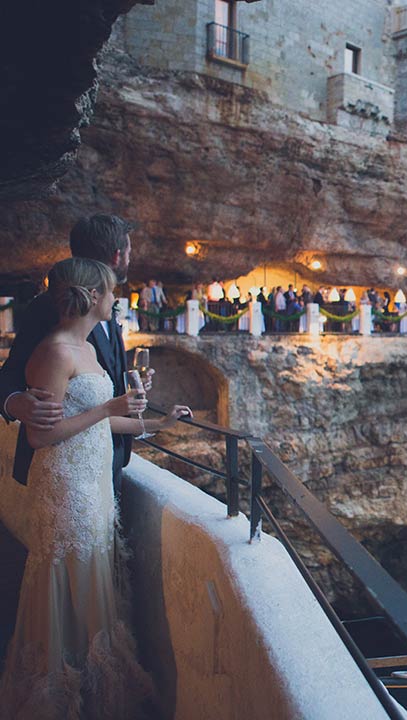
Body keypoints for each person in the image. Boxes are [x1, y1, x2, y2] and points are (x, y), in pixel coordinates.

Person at [0, 258, 189, 717]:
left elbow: (100, 422)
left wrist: (155, 422)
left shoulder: (85, 348)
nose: (116, 299)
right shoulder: (55, 352)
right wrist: (108, 409)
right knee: (71, 579)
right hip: (67, 490)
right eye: (110, 291)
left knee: (94, 580)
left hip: (94, 484)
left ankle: (92, 687)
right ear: (91, 297)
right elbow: (41, 435)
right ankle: (61, 694)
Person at [0, 214, 146, 494]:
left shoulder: (107, 304)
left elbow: (94, 375)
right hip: (66, 467)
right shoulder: (47, 306)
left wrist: (128, 384)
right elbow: (10, 373)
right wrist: (16, 403)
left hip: (107, 455)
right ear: (117, 256)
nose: (131, 256)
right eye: (129, 250)